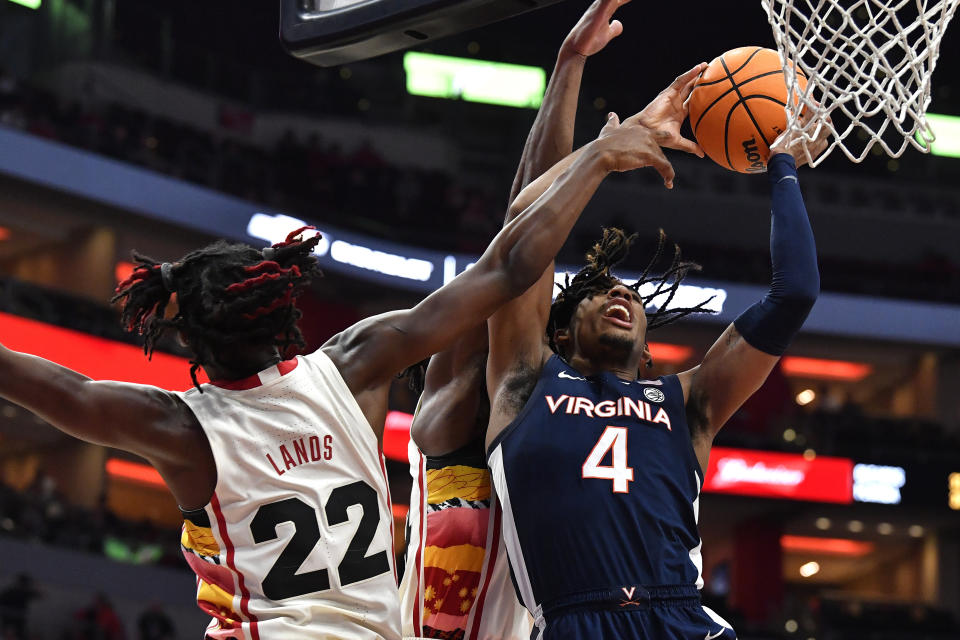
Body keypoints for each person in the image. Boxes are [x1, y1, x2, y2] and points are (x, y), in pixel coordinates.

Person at [0, 94, 677, 636]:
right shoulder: (352, 364)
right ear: (282, 306)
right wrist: (596, 160)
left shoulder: (182, 429)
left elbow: (66, 392)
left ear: (191, 346)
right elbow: (509, 264)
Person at [484, 111, 830, 639]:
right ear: (558, 334)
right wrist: (600, 156)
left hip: (679, 619)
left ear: (647, 348)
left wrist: (782, 166)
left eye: (633, 296)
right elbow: (523, 221)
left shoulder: (688, 400)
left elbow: (796, 294)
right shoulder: (525, 380)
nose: (621, 293)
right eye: (597, 292)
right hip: (573, 622)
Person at [398, 1, 664, 638]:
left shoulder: (584, 431)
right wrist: (572, 74)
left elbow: (519, 243)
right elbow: (516, 242)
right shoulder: (464, 402)